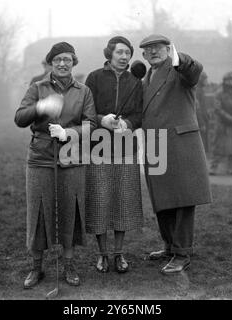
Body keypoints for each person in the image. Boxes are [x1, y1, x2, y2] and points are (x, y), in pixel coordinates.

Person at [14, 42, 97, 288]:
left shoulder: (84, 91)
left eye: (68, 60)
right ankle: (36, 268)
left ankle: (69, 265)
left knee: (70, 211)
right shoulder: (37, 88)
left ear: (74, 63)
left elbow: (91, 124)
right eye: (58, 59)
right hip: (40, 157)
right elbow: (19, 118)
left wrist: (68, 132)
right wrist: (40, 107)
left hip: (72, 157)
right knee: (39, 211)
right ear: (51, 62)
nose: (62, 64)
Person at [140, 34, 212, 274]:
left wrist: (179, 58)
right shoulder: (145, 78)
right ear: (143, 55)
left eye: (158, 48)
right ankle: (170, 247)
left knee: (182, 200)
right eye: (148, 50)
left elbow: (194, 70)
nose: (152, 52)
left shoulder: (179, 70)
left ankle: (182, 253)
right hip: (155, 145)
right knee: (163, 200)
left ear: (169, 49)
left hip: (180, 144)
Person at [85, 36, 143, 274]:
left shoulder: (136, 81)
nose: (124, 57)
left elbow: (141, 113)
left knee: (123, 201)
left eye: (128, 53)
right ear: (109, 54)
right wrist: (102, 120)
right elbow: (85, 109)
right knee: (100, 201)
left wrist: (127, 123)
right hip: (98, 147)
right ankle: (102, 254)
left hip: (125, 148)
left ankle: (118, 254)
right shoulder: (95, 77)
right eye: (120, 52)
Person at [196, 71, 210, 154]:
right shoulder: (198, 91)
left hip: (203, 120)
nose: (206, 81)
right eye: (205, 79)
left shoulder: (200, 90)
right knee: (201, 143)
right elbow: (197, 109)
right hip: (200, 121)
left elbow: (203, 107)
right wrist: (202, 123)